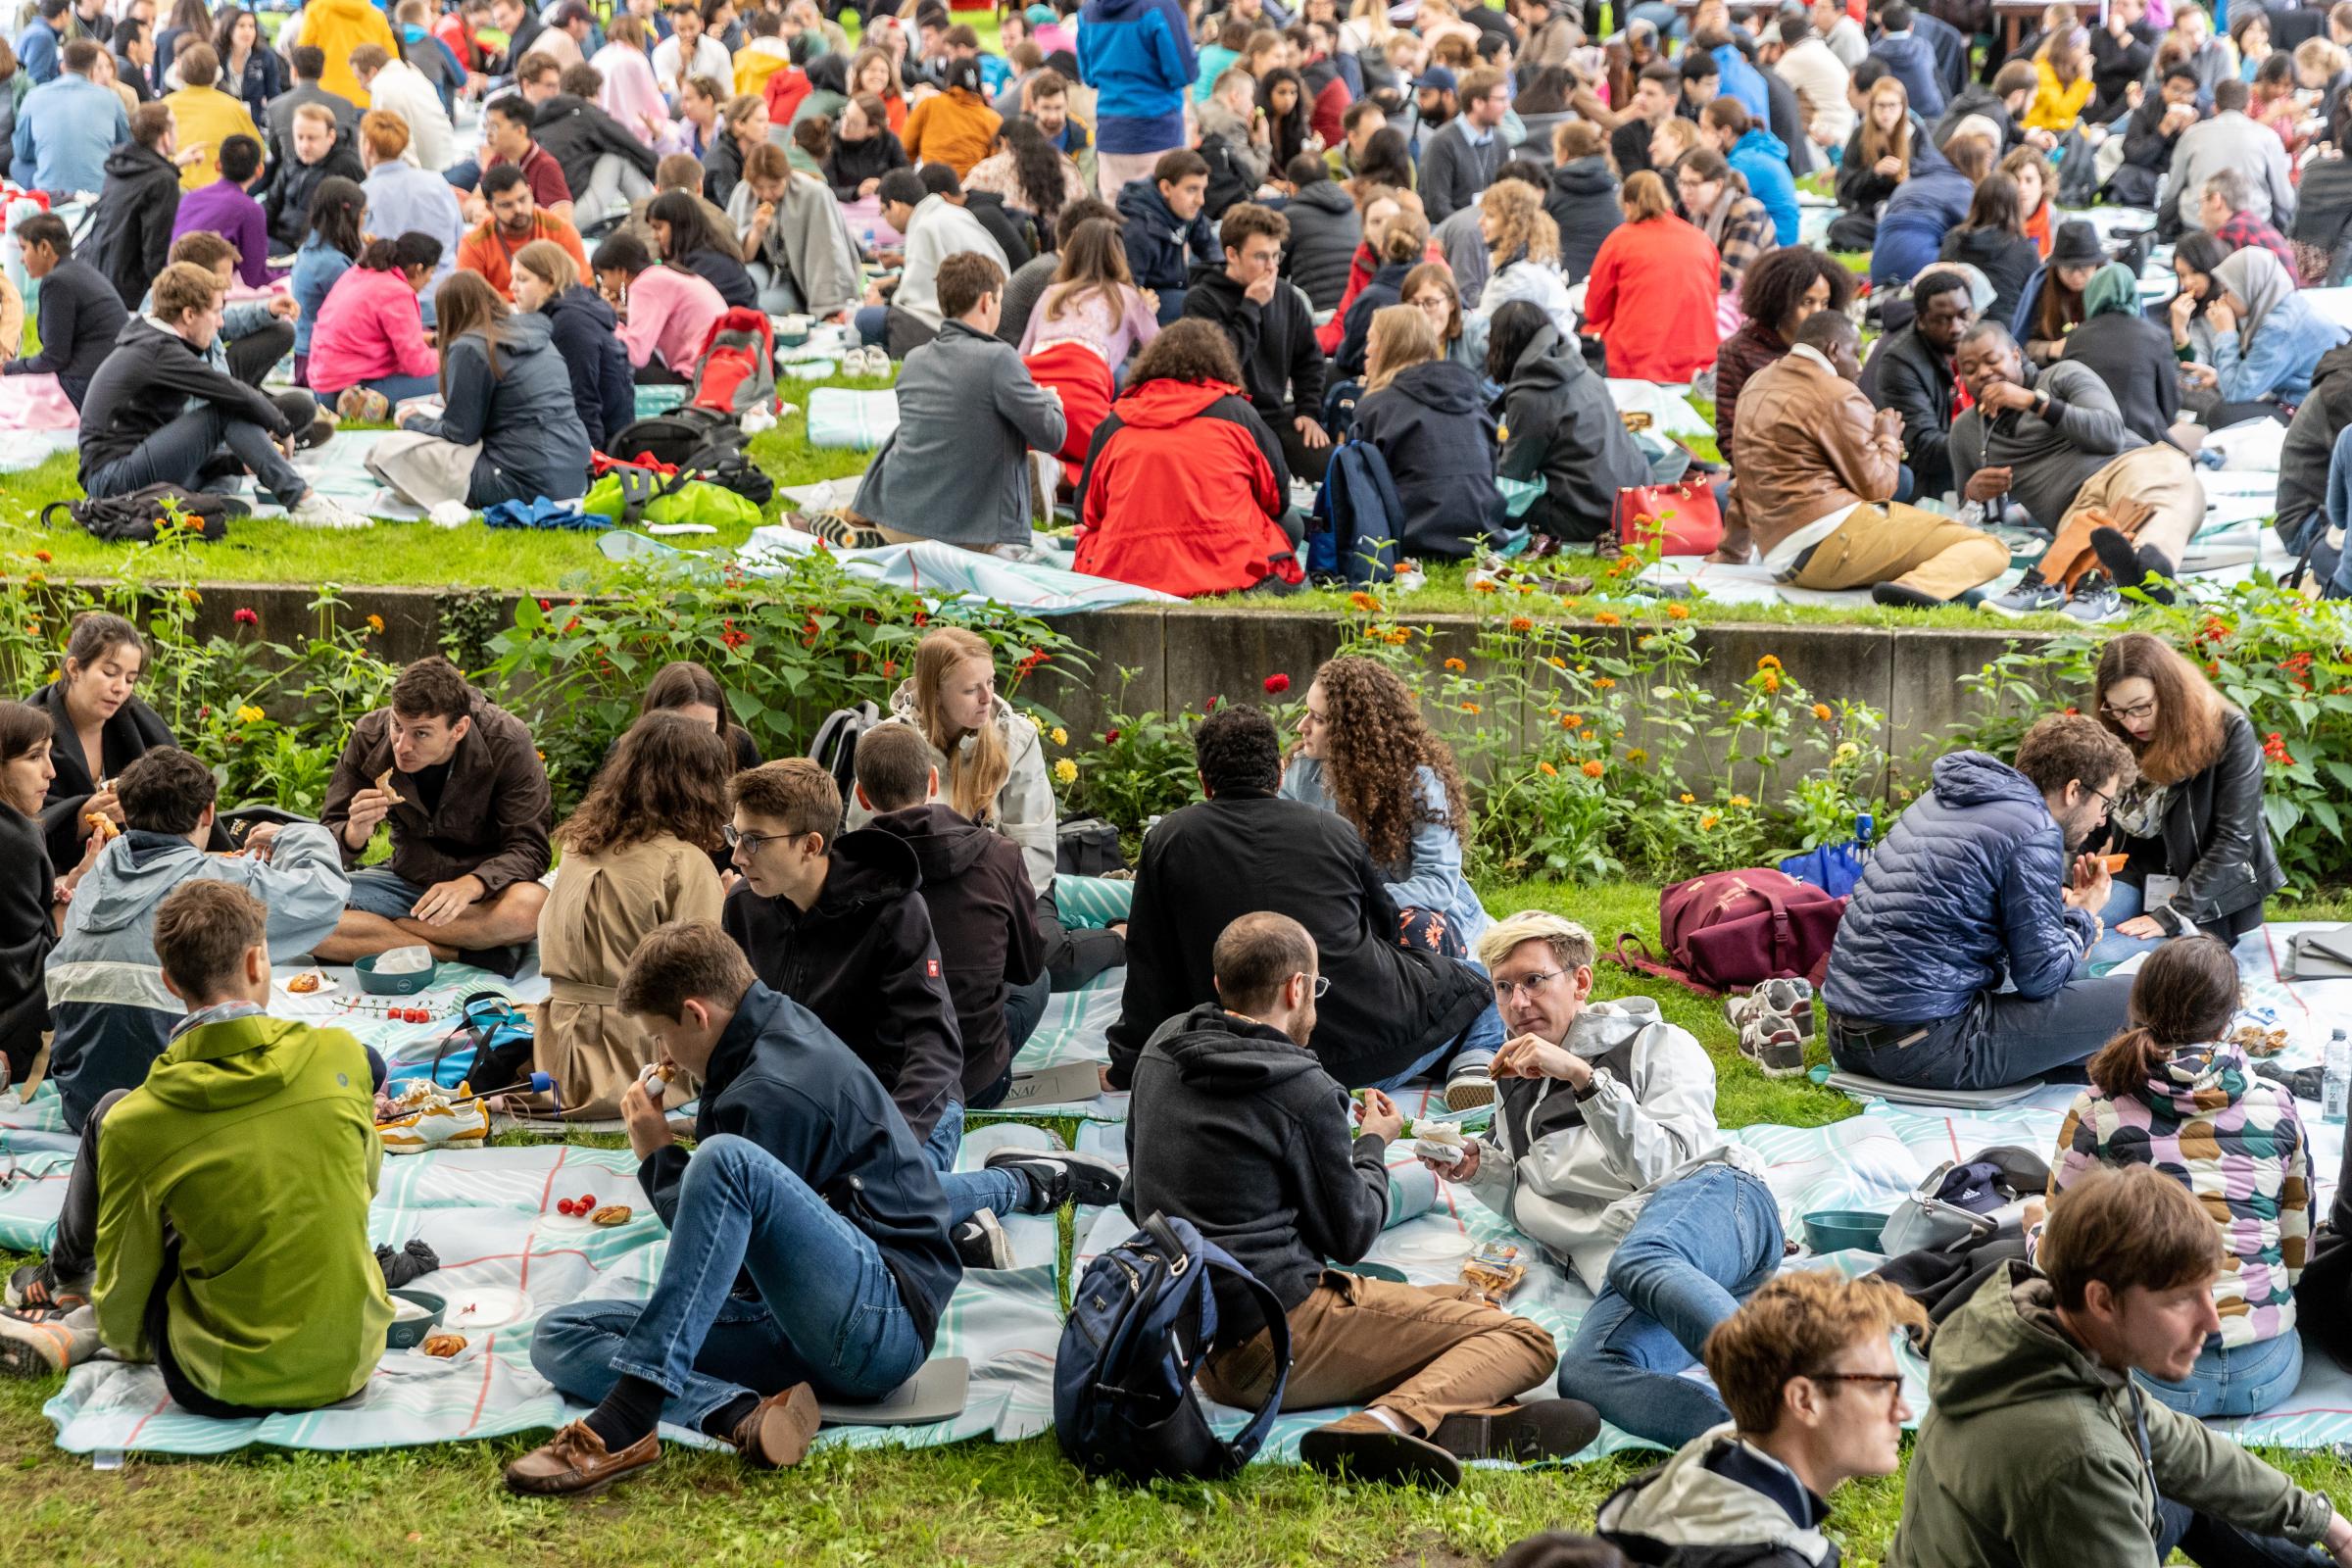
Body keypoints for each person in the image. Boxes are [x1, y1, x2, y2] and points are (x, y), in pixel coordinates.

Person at [1120, 909, 1595, 1489]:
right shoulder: (1299, 1087)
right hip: (1272, 1344)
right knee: (1522, 1339)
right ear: (1298, 989)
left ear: (1220, 985)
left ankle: (1460, 1421)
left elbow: (1132, 1196)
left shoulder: (1164, 1047)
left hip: (1186, 1328)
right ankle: (1383, 1424)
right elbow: (1352, 1234)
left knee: (1471, 1304)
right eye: (1316, 989)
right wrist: (1373, 1142)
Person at [511, 919, 961, 1494]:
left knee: (725, 1161)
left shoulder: (773, 1088)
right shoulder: (758, 1033)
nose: (660, 1054)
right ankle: (738, 1416)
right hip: (800, 1319)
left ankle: (631, 1415)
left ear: (697, 1015)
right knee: (560, 1332)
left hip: (879, 1326)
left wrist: (656, 1155)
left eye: (660, 1035)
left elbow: (726, 1260)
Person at [0, 879, 391, 1402]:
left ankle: (72, 1313)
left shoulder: (137, 1120)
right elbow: (365, 1182)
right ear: (256, 963)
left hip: (219, 1380)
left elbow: (127, 1295)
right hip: (353, 1357)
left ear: (167, 980)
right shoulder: (341, 1054)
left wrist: (117, 1326)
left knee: (140, 1166)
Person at [1428, 910, 1781, 1449]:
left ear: (1581, 982)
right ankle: (1756, 1443)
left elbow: (1672, 1166)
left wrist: (1584, 1079)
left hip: (1717, 1204)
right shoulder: (1514, 1082)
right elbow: (1544, 1199)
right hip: (1650, 1271)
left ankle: (1783, 1393)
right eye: (1503, 987)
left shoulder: (1656, 1044)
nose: (1518, 1002)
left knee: (1643, 1258)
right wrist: (1480, 1168)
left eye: (1533, 981)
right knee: (1586, 1373)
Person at [1888, 1166, 2352, 1568]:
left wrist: (2329, 1526)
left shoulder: (2033, 1334)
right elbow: (2087, 1460)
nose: (2213, 1322)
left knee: (2181, 1481)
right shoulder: (2078, 1459)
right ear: (2102, 1300)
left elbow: (2179, 1448)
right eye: (2181, 1300)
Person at [1107, 705, 1492, 1094]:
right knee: (1484, 979)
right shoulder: (1334, 831)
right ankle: (1474, 1060)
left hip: (1232, 1058)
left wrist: (1128, 1064)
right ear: (1278, 772)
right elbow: (1385, 927)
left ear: (1204, 783)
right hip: (1367, 1057)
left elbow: (1148, 968)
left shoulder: (1170, 839)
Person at [2048, 938, 2311, 1419]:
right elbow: (2297, 1246)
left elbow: (2058, 1249)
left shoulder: (2098, 1108)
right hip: (2269, 1366)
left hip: (2149, 1375)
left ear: (2138, 1003)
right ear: (2230, 1017)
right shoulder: (2278, 1102)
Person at [1825, 711, 2140, 1091]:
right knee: (2140, 995)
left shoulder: (1947, 800)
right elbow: (2040, 979)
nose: (2103, 822)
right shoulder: (2032, 828)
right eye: (2105, 804)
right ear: (2074, 790)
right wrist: (2084, 913)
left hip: (1850, 1039)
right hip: (1923, 1048)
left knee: (2075, 983)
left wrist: (2058, 917)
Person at [41, 748, 349, 1133]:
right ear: (207, 813)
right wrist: (292, 834)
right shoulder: (213, 885)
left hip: (85, 1104)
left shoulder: (94, 877)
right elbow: (324, 893)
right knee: (354, 1061)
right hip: (178, 1099)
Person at [1280, 655, 1504, 1102]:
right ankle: (1449, 1046)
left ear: (1353, 734)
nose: (1302, 727)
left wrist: (1353, 901)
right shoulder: (1302, 772)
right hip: (1341, 922)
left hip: (1419, 920)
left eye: (1318, 718)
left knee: (1480, 975)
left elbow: (1438, 885)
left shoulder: (1417, 781)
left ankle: (1473, 1060)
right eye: (1306, 712)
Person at [1594, 1272, 1927, 1565]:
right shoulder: (1773, 1556)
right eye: (1880, 1388)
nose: (1904, 1411)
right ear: (1804, 1400)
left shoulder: (1689, 1472)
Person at [717, 759, 962, 1147]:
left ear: (810, 846)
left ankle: (1016, 1182)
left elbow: (935, 1045)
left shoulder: (894, 911)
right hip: (804, 1111)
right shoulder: (743, 907)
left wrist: (889, 1143)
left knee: (870, 1204)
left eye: (755, 841)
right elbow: (733, 1028)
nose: (737, 857)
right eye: (736, 835)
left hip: (903, 1110)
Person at [1729, 311, 2012, 607]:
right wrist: (1888, 438)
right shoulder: (1838, 393)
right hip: (1829, 543)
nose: (1860, 366)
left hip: (1778, 557)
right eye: (1856, 353)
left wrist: (1732, 549)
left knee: (1939, 548)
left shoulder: (1757, 383)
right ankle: (1913, 588)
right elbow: (1879, 487)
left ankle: (1938, 588)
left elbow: (1744, 475)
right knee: (1987, 547)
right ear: (1834, 350)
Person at [528, 711, 729, 1120]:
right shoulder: (685, 863)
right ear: (703, 786)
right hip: (637, 1058)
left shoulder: (576, 847)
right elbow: (703, 982)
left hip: (555, 1053)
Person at [853, 724, 1051, 1136]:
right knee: (1038, 980)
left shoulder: (841, 871)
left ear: (861, 796)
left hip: (882, 1081)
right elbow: (1026, 969)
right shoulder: (1001, 856)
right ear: (932, 781)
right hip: (973, 1079)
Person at [76, 262, 365, 528]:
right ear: (189, 315)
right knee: (224, 409)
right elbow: (226, 391)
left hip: (130, 467)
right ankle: (301, 501)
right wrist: (281, 426)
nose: (221, 323)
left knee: (227, 458)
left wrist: (238, 463)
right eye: (215, 312)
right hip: (112, 482)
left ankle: (211, 500)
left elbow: (165, 437)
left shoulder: (154, 339)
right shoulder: (157, 351)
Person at [315, 657, 553, 971]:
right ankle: (459, 952)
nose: (402, 745)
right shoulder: (369, 736)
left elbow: (530, 849)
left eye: (421, 734)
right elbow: (325, 841)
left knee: (530, 910)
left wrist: (472, 883)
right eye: (397, 725)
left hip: (486, 893)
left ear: (459, 729)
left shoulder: (507, 741)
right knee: (305, 913)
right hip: (405, 879)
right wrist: (352, 833)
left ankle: (383, 932)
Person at [1957, 323, 2207, 621]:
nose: (1983, 373)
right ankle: (2135, 577)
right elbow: (1975, 518)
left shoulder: (2062, 375)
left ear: (2015, 355)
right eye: (1970, 369)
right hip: (2073, 509)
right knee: (2088, 547)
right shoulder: (1965, 431)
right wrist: (1973, 493)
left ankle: (2151, 569)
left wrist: (2034, 403)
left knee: (2164, 488)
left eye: (1991, 360)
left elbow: (2109, 434)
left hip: (2127, 467)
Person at [2079, 633, 2284, 971]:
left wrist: (2174, 915)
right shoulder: (2120, 733)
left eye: (2142, 707)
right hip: (2141, 877)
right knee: (2065, 928)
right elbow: (2092, 816)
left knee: (2091, 960)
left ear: (2171, 692)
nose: (2131, 722)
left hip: (2209, 898)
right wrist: (2069, 885)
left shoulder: (2230, 733)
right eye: (2117, 710)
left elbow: (2234, 842)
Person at [844, 251, 1064, 551]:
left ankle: (858, 514)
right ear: (988, 301)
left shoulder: (915, 360)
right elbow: (1052, 436)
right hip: (963, 536)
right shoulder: (999, 359)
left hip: (894, 521)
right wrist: (1048, 401)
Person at [1074, 318, 1297, 595]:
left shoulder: (1114, 423)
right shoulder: (1238, 415)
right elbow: (1278, 498)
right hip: (1231, 568)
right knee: (1291, 523)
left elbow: (1087, 511)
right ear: (1221, 364)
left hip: (1126, 572)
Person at [376, 270, 593, 508]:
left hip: (521, 478)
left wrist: (412, 421)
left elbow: (460, 432)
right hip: (575, 471)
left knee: (386, 450)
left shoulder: (470, 347)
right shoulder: (537, 335)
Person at [1182, 201, 1332, 482]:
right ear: (1232, 254)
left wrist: (1308, 410)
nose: (1272, 268)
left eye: (1277, 256)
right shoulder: (1201, 301)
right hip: (1223, 421)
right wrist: (1251, 307)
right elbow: (1221, 365)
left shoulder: (1287, 297)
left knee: (1331, 469)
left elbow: (1310, 360)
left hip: (1273, 416)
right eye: (1261, 257)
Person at [1487, 300, 1646, 549]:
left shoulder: (1531, 394)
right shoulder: (1579, 368)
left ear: (1502, 344)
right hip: (1635, 503)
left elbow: (1513, 474)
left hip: (1590, 517)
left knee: (1502, 502)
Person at [1714, 246, 1853, 527]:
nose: (1816, 312)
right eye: (1807, 302)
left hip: (1829, 471)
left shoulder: (1835, 349)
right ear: (1780, 301)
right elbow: (1730, 436)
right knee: (1722, 499)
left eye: (1824, 303)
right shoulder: (1738, 351)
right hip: (1766, 477)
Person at [1351, 305, 1504, 557]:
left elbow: (1360, 493)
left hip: (1412, 537)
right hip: (1482, 533)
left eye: (1371, 341)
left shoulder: (1376, 408)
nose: (1366, 350)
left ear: (1390, 347)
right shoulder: (1473, 401)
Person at [0, 701, 92, 1084]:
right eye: (35, 756)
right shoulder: (14, 836)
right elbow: (21, 969)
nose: (51, 772)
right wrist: (77, 898)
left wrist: (66, 886)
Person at [1582, 171, 1719, 381]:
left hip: (1637, 362)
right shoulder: (1701, 239)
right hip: (1699, 357)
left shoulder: (1621, 239)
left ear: (1628, 206)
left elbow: (1595, 308)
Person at [859, 166, 1007, 358]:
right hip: (993, 305)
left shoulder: (924, 227)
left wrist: (878, 303)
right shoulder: (950, 212)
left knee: (867, 319)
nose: (886, 219)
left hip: (960, 320)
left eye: (883, 212)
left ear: (894, 206)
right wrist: (892, 283)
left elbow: (913, 300)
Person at [2184, 247, 2348, 414]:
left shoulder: (2279, 327)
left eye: (2227, 291)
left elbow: (2235, 394)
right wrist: (2219, 377)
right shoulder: (2283, 305)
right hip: (2312, 398)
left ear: (2250, 286)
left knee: (2224, 414)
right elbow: (2248, 378)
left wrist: (2225, 333)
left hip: (2320, 411)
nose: (2223, 299)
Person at [1860, 268, 1973, 502]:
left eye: (1963, 315)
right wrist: (1989, 441)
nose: (1957, 327)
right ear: (1920, 320)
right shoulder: (1900, 363)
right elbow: (1926, 449)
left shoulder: (1987, 341)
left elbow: (2027, 382)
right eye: (1943, 319)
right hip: (1926, 483)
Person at [511, 239, 633, 454]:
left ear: (549, 281)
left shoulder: (570, 323)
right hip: (607, 432)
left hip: (607, 443)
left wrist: (592, 466)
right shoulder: (573, 306)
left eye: (522, 279)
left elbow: (583, 397)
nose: (512, 287)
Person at [306, 233, 443, 416]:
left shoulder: (359, 273)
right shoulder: (397, 292)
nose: (429, 281)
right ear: (418, 269)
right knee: (451, 377)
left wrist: (432, 340)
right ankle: (380, 409)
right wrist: (449, 355)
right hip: (348, 390)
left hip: (322, 385)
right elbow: (416, 364)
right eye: (431, 273)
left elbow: (374, 337)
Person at [1, 212, 125, 407]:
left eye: (24, 249)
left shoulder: (57, 282)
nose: (21, 260)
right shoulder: (78, 271)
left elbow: (53, 358)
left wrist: (9, 368)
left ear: (44, 248)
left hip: (88, 385)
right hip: (106, 377)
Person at [2053, 262, 2179, 452]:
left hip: (2087, 444)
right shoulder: (2156, 337)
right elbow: (2170, 408)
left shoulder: (2076, 338)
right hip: (2145, 442)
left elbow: (2063, 397)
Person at [1078, 0, 1198, 198]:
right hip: (1157, 132)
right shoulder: (1160, 7)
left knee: (1117, 218)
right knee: (1160, 216)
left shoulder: (1088, 12)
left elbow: (1089, 76)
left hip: (1111, 135)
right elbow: (1185, 72)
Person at [2160, 77, 2293, 237]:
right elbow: (2285, 200)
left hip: (2198, 225)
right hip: (2251, 228)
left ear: (2215, 107)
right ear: (2249, 106)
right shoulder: (2268, 137)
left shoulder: (2193, 134)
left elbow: (2171, 190)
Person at [83, 101, 182, 312]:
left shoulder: (121, 164)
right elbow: (156, 247)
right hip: (130, 290)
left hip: (100, 272)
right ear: (165, 136)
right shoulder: (163, 181)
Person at [538, 68, 662, 231]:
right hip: (568, 218)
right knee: (616, 158)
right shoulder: (587, 114)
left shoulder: (543, 119)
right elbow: (639, 152)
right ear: (593, 93)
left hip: (541, 220)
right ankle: (659, 218)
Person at [593, 228, 727, 382]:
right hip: (716, 367)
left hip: (697, 376)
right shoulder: (661, 274)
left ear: (621, 271)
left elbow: (635, 355)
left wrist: (606, 317)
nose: (604, 284)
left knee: (610, 365)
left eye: (603, 276)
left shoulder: (644, 285)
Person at [10, 37, 127, 198]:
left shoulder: (34, 96)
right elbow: (125, 146)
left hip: (50, 193)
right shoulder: (111, 98)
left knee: (17, 164)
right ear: (93, 69)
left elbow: (22, 151)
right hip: (99, 192)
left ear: (62, 66)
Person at [360, 111, 463, 290]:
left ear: (368, 146)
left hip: (393, 297)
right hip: (446, 292)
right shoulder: (436, 182)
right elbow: (458, 238)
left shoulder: (363, 195)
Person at [458, 163, 591, 300]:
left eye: (522, 199)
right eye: (507, 205)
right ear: (490, 207)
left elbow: (584, 287)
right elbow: (470, 300)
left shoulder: (560, 230)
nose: (518, 209)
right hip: (499, 316)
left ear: (530, 192)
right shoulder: (473, 243)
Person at [1115, 148, 1217, 324]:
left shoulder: (1185, 210)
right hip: (1152, 299)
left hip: (1177, 280)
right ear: (1166, 188)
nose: (1201, 200)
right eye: (1192, 190)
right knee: (1203, 309)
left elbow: (1209, 246)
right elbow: (1126, 291)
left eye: (1203, 190)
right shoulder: (1137, 231)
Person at [1870, 132, 1984, 287]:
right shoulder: (1962, 187)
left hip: (1879, 267)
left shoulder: (1910, 181)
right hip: (1919, 267)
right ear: (1975, 165)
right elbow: (1979, 231)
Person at [1333, 207, 1429, 378]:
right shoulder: (1441, 291)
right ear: (1425, 249)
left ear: (1382, 248)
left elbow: (1348, 356)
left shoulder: (1371, 298)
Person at [1672, 147, 1776, 303]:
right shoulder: (1690, 209)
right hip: (1718, 296)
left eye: (1693, 184)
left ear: (1718, 185)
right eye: (1682, 183)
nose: (1685, 192)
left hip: (1757, 300)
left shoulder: (1746, 212)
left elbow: (1728, 280)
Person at [1940, 172, 2039, 331]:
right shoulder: (2026, 249)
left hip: (1957, 330)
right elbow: (2034, 305)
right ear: (2015, 205)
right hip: (2004, 336)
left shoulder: (1953, 238)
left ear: (1977, 201)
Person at [263, 102, 365, 256]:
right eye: (300, 137)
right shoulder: (291, 162)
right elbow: (271, 203)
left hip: (312, 250)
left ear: (330, 137)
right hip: (278, 240)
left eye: (312, 138)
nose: (304, 145)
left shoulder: (346, 167)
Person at [1418, 63, 1507, 223]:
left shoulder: (1500, 141)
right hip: (1453, 235)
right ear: (1478, 103)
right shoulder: (1443, 142)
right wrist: (1473, 232)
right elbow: (1438, 207)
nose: (1507, 106)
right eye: (1500, 99)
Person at [1701, 98, 1797, 247]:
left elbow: (1711, 198)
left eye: (1705, 129)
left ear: (1725, 132)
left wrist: (1708, 155)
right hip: (1783, 237)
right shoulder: (1754, 149)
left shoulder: (1745, 162)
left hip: (1778, 245)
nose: (1700, 137)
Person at [160, 43, 257, 190]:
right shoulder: (234, 107)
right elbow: (256, 150)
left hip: (175, 186)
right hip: (221, 190)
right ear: (216, 73)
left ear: (182, 72)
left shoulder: (165, 106)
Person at [348, 42, 453, 173]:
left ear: (373, 71)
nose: (360, 86)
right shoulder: (414, 74)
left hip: (427, 171)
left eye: (360, 78)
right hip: (447, 160)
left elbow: (399, 145)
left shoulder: (383, 89)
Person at [2013, 217, 2102, 367]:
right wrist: (2052, 349)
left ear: (2097, 265)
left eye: (2084, 267)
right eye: (2068, 267)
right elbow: (2020, 348)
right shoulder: (2042, 288)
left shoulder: (2112, 289)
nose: (2076, 275)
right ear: (2055, 268)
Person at [648, 187, 755, 308]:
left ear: (679, 224)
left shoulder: (708, 264)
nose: (654, 236)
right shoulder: (699, 255)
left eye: (658, 228)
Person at [1543, 121, 1620, 285]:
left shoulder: (1551, 192)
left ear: (1563, 153)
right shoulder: (1618, 188)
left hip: (1565, 283)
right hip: (1612, 281)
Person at [903, 55, 1001, 177]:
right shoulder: (993, 119)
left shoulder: (930, 105)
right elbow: (996, 165)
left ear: (949, 80)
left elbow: (906, 149)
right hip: (970, 189)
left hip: (930, 182)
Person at [2200, 169, 2296, 274]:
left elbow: (2222, 283)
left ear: (2215, 200)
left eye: (2201, 203)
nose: (2199, 215)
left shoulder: (2230, 232)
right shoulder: (2260, 225)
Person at [825, 91, 909, 198]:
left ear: (872, 130)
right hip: (841, 208)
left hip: (881, 207)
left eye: (854, 123)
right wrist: (856, 192)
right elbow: (826, 190)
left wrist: (884, 185)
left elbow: (906, 179)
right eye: (845, 114)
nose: (844, 124)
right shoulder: (830, 140)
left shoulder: (889, 140)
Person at [1869, 1, 1944, 117]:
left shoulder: (1873, 54)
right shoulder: (1925, 47)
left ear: (1882, 27)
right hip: (1932, 115)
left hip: (1893, 116)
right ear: (1911, 26)